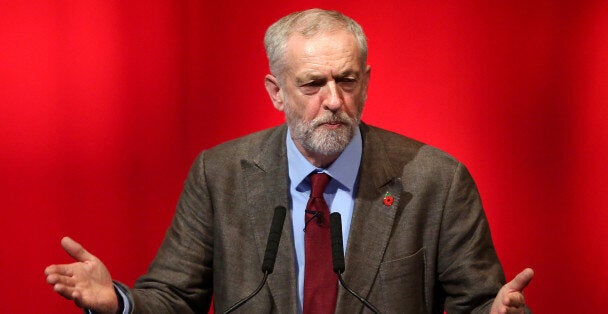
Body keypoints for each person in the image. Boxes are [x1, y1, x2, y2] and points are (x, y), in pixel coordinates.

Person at [45, 8, 533, 313]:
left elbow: (479, 302)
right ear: (276, 92)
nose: (335, 100)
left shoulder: (436, 181)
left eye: (346, 80)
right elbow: (175, 298)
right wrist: (120, 303)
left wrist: (500, 312)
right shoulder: (220, 175)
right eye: (313, 84)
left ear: (366, 80)